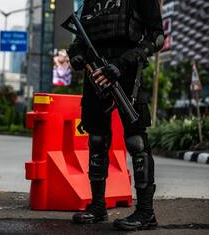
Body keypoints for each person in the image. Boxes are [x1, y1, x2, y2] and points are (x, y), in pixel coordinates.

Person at [66, 0, 164, 231]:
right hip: (96, 74)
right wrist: (77, 56)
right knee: (97, 139)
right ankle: (98, 206)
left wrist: (123, 62)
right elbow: (77, 41)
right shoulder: (89, 3)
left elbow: (157, 38)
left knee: (136, 140)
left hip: (128, 72)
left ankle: (146, 212)